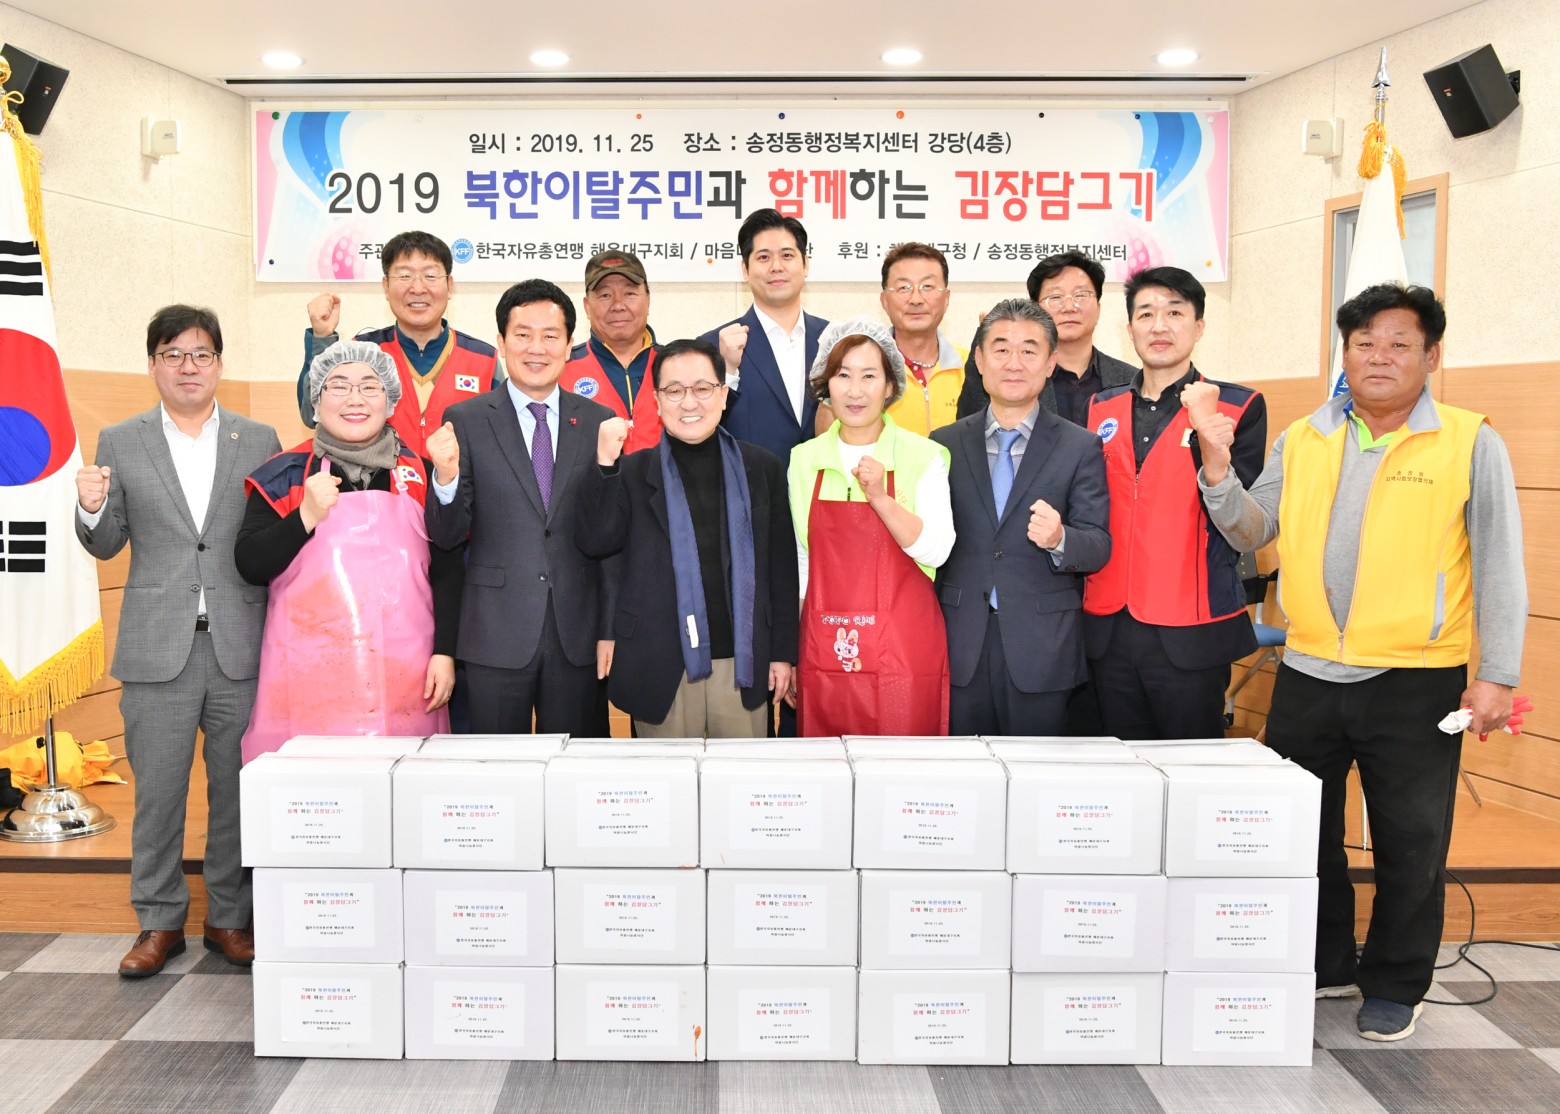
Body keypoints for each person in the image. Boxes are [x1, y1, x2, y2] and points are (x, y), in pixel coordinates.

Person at [1197, 283, 1526, 1043]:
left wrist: (1498, 675)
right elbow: (1253, 529)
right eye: (1363, 343)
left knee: (1412, 841)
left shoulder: (1469, 440)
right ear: (1344, 354)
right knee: (1304, 836)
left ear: (1431, 356)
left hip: (1417, 679)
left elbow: (1500, 565)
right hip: (1309, 670)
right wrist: (1217, 473)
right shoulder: (1305, 438)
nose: (1379, 356)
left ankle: (1396, 983)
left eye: (1399, 343)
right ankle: (1326, 962)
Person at [74, 305, 281, 977]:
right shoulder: (121, 439)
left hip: (240, 644)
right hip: (157, 647)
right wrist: (91, 507)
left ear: (219, 363)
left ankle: (229, 918)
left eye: (201, 354)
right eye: (173, 355)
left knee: (236, 795)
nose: (188, 367)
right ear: (152, 364)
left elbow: (273, 536)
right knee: (157, 797)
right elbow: (107, 542)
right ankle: (159, 921)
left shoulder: (258, 437)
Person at [236, 342, 462, 761]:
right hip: (308, 677)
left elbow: (448, 568)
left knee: (404, 788)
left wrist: (445, 651)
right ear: (316, 401)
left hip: (410, 677)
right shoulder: (285, 473)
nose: (355, 399)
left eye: (369, 387)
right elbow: (250, 563)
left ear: (389, 400)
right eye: (338, 386)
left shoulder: (422, 472)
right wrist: (304, 516)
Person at [576, 338, 797, 737]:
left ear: (723, 395)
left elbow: (780, 567)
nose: (689, 402)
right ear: (657, 402)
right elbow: (596, 542)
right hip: (660, 663)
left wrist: (782, 653)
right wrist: (605, 465)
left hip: (743, 663)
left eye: (702, 388)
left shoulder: (761, 468)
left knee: (740, 776)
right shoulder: (632, 472)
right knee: (665, 777)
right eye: (674, 391)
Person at [425, 279, 617, 736]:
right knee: (497, 770)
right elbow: (447, 536)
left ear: (569, 345)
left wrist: (608, 627)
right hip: (494, 632)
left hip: (576, 632)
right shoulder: (466, 420)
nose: (537, 348)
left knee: (572, 765)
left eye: (550, 336)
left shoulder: (598, 422)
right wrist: (445, 479)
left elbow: (610, 539)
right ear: (501, 342)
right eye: (523, 334)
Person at [1082, 266, 1267, 740]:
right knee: (1116, 766)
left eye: (1175, 313)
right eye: (1146, 314)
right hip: (1107, 625)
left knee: (1191, 768)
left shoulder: (1237, 407)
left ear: (1199, 326)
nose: (1159, 325)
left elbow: (1244, 523)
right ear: (1129, 329)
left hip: (1191, 628)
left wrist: (1210, 442)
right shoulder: (1099, 408)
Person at [933, 299, 1111, 735]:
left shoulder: (1080, 446)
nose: (1014, 363)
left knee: (1037, 771)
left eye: (1029, 350)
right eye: (1001, 349)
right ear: (979, 360)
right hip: (959, 640)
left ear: (1050, 363)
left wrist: (1060, 538)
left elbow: (1098, 544)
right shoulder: (944, 443)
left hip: (1042, 645)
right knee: (963, 770)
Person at [786, 317, 953, 736]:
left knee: (902, 766)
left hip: (904, 650)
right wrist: (794, 650)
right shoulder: (804, 459)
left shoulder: (924, 456)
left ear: (890, 385)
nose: (855, 391)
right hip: (827, 644)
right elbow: (803, 561)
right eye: (843, 375)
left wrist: (881, 498)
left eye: (869, 376)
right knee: (827, 764)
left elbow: (937, 550)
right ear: (826, 384)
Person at [295, 230, 502, 458]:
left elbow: (502, 437)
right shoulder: (363, 353)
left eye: (430, 276)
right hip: (379, 480)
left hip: (459, 481)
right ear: (386, 286)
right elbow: (312, 415)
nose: (418, 288)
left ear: (449, 285)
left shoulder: (484, 359)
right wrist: (322, 338)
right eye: (404, 276)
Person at [701, 208, 829, 464]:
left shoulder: (835, 340)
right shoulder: (711, 347)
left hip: (824, 486)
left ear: (805, 265)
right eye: (763, 257)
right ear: (745, 270)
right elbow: (700, 432)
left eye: (787, 255)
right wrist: (728, 371)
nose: (776, 266)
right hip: (750, 487)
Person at [956, 251, 1135, 424]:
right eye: (1055, 297)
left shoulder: (1131, 379)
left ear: (1098, 308)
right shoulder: (1016, 374)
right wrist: (987, 338)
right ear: (1035, 310)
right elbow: (970, 425)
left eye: (1080, 295)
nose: (1069, 307)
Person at [817, 242, 964, 437]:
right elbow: (825, 450)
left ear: (946, 298)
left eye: (927, 286)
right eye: (903, 287)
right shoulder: (852, 372)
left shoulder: (974, 368)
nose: (916, 299)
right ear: (884, 301)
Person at [559, 249, 663, 453]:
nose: (618, 305)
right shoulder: (560, 370)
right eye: (605, 295)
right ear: (587, 307)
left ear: (648, 300)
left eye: (629, 293)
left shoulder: (675, 365)